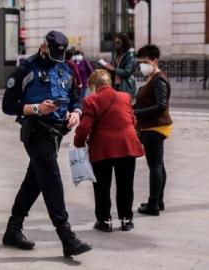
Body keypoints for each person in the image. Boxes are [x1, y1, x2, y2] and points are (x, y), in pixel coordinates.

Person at [1, 30, 92, 257]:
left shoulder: (65, 67)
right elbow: (8, 104)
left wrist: (76, 113)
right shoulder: (26, 69)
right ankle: (66, 236)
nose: (56, 60)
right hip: (36, 131)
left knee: (35, 180)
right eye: (52, 54)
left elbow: (75, 96)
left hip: (57, 133)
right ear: (43, 47)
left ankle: (13, 228)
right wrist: (35, 108)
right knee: (51, 179)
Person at [74, 69, 144, 232]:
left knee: (102, 187)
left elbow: (84, 128)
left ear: (94, 85)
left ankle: (105, 221)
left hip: (102, 148)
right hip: (127, 145)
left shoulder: (91, 100)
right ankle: (126, 220)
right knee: (126, 184)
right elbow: (132, 119)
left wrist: (78, 144)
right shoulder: (125, 97)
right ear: (109, 83)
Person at [134, 44, 173, 216]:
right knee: (159, 165)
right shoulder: (152, 78)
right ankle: (159, 200)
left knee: (155, 166)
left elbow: (161, 105)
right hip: (152, 125)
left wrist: (136, 112)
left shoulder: (159, 79)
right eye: (140, 62)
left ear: (154, 61)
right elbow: (146, 102)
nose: (141, 65)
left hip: (155, 127)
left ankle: (153, 204)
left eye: (144, 62)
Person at [100, 33, 137, 99]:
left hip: (125, 87)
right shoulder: (119, 54)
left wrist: (113, 68)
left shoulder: (130, 56)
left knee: (123, 107)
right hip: (115, 85)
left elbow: (127, 72)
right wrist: (107, 66)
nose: (116, 44)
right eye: (115, 42)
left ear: (124, 43)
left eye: (118, 42)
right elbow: (115, 68)